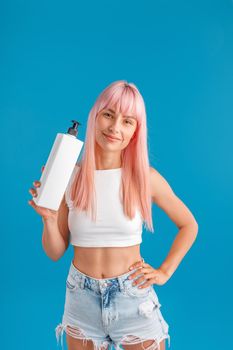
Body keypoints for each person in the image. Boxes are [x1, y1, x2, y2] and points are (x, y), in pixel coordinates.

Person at [28, 80, 198, 350]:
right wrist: (48, 219)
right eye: (109, 115)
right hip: (80, 297)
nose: (115, 127)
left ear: (135, 131)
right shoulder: (68, 177)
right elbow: (54, 251)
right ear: (95, 117)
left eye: (127, 121)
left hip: (133, 299)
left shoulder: (145, 179)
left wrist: (164, 271)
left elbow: (189, 225)